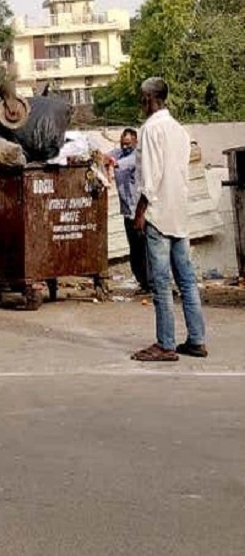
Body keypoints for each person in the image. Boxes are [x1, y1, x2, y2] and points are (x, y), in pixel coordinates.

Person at [131, 77, 208, 362]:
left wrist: (140, 212)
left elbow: (150, 179)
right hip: (179, 213)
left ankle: (165, 344)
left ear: (150, 99)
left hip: (159, 213)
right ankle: (196, 339)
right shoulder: (179, 130)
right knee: (186, 280)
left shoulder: (151, 130)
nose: (141, 103)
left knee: (161, 282)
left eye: (142, 98)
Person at [105, 128, 148, 293]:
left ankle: (149, 283)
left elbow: (115, 163)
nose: (125, 146)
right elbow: (106, 157)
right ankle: (142, 282)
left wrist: (109, 162)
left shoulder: (135, 156)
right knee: (135, 250)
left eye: (128, 143)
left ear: (135, 142)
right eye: (123, 143)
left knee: (143, 249)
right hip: (127, 211)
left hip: (138, 211)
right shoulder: (121, 152)